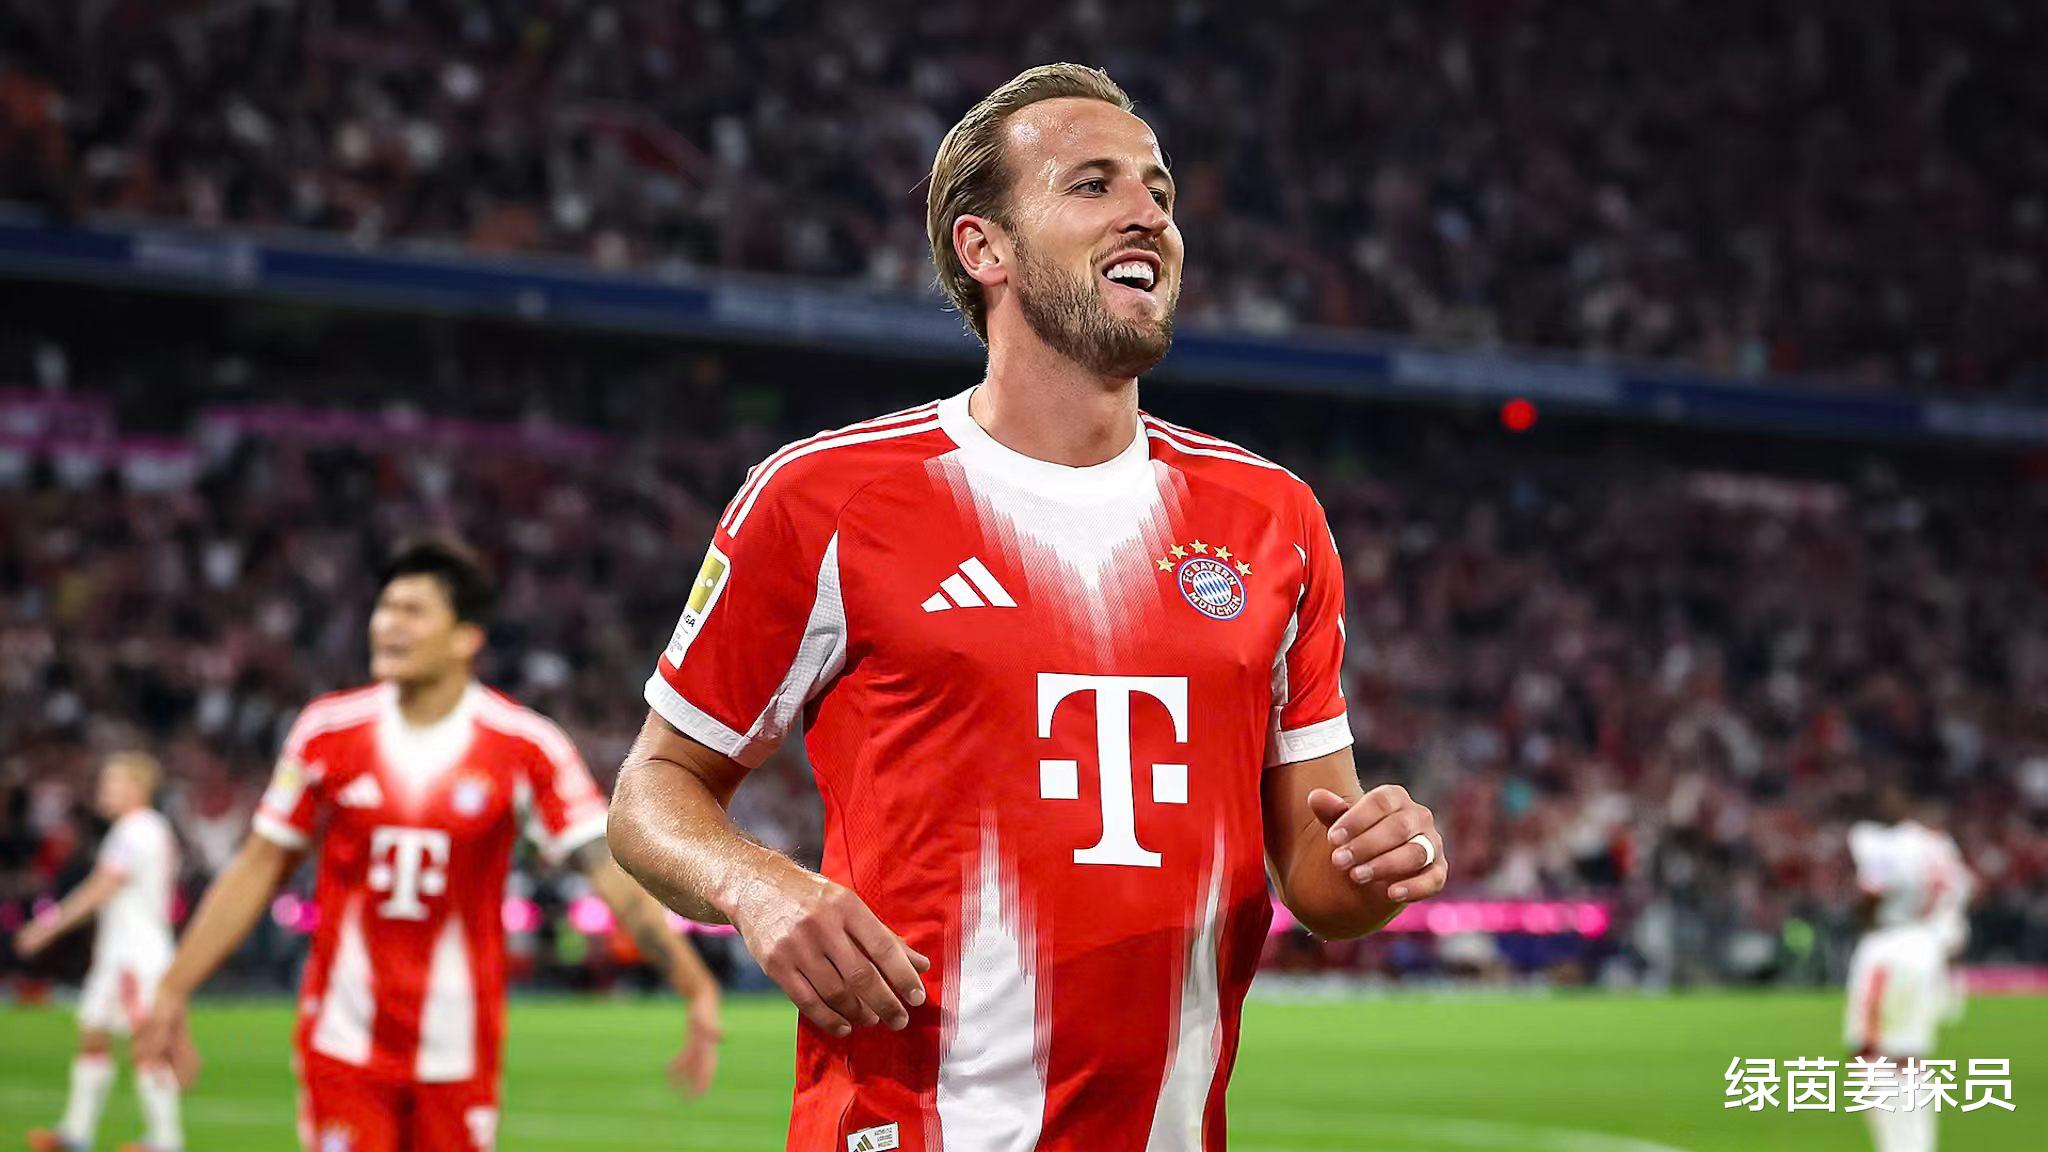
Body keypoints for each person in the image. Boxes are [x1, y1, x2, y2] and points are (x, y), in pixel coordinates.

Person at [607, 63, 1448, 1149]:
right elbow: (651, 790)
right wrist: (759, 888)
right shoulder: (826, 497)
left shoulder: (1271, 517)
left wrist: (1383, 860)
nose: (1148, 213)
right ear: (983, 248)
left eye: (1158, 191)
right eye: (1093, 185)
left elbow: (1323, 881)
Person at [132, 537, 723, 1152]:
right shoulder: (326, 732)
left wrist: (694, 984)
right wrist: (173, 989)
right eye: (385, 608)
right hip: (344, 1041)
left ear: (466, 637)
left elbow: (606, 869)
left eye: (413, 611)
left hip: (459, 1046)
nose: (388, 624)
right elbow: (258, 867)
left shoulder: (525, 745)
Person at [16, 753, 184, 1152]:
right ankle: (76, 1134)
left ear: (138, 787)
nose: (103, 791)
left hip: (136, 956)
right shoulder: (138, 829)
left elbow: (102, 887)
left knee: (145, 1045)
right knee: (93, 1035)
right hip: (119, 954)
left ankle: (166, 1141)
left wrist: (46, 927)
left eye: (113, 783)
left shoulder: (138, 830)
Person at [1844, 788, 1973, 1152]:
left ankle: (1899, 1145)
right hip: (1926, 946)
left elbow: (1873, 891)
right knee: (1907, 1056)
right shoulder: (1939, 845)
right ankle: (1917, 1144)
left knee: (1870, 1053)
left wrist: (1860, 915)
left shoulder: (1882, 843)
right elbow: (1962, 894)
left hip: (1889, 945)